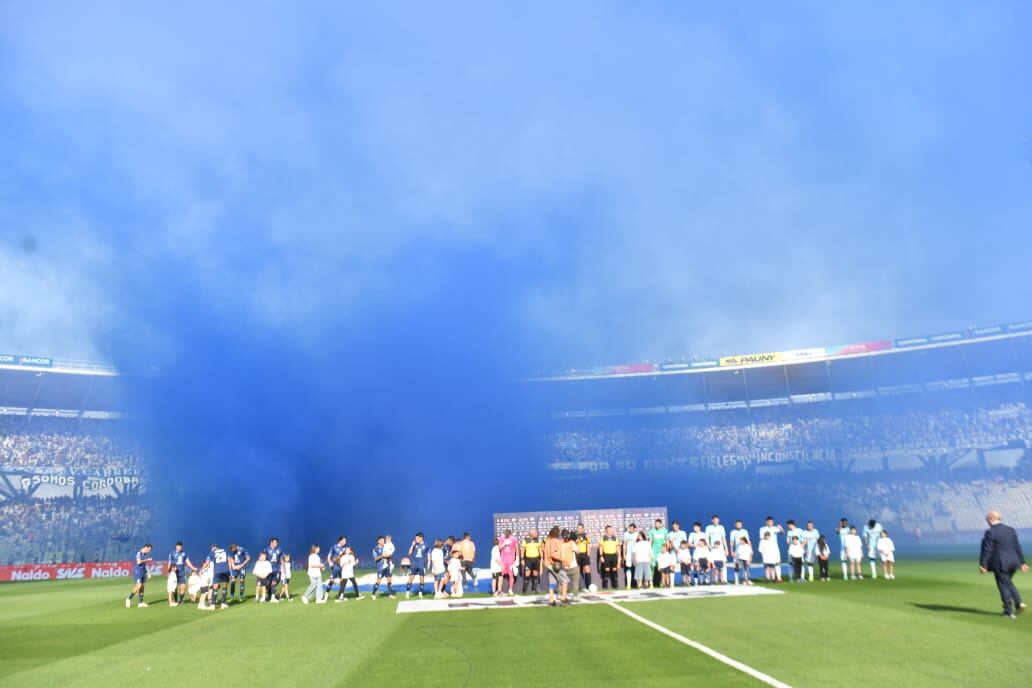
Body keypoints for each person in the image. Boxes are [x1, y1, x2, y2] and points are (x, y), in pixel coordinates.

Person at [979, 511, 1028, 618]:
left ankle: (1011, 608)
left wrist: (983, 565)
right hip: (1014, 562)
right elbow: (1017, 547)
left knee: (1003, 585)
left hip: (1000, 563)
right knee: (1006, 582)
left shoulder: (990, 532)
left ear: (991, 519)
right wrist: (1023, 563)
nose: (987, 522)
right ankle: (1014, 605)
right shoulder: (1011, 530)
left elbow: (987, 549)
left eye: (987, 520)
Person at [200, 543, 231, 610]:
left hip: (217, 571)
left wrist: (201, 569)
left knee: (215, 587)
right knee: (224, 587)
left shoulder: (211, 553)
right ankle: (223, 604)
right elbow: (229, 560)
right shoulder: (225, 550)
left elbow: (207, 563)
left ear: (212, 548)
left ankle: (213, 605)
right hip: (225, 570)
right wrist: (229, 569)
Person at [544, 526, 568, 606]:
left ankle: (551, 600)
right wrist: (562, 559)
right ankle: (563, 599)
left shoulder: (547, 540)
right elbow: (553, 554)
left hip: (548, 564)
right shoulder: (554, 541)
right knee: (565, 580)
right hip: (554, 564)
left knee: (552, 582)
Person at [167, 542, 196, 606]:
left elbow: (188, 562)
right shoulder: (172, 553)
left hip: (182, 572)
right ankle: (175, 600)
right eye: (178, 546)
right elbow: (169, 562)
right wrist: (168, 571)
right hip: (174, 573)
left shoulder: (184, 554)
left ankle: (181, 600)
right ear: (176, 547)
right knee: (174, 588)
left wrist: (192, 567)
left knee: (183, 587)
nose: (180, 548)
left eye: (181, 547)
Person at [125, 543, 153, 608]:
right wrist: (147, 560)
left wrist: (147, 572)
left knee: (142, 586)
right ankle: (129, 598)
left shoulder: (144, 555)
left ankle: (140, 602)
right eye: (149, 549)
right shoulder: (139, 553)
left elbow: (143, 565)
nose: (149, 551)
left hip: (142, 571)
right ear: (146, 547)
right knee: (139, 585)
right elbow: (139, 562)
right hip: (138, 572)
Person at [758, 517, 784, 582]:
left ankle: (778, 578)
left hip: (775, 548)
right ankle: (768, 578)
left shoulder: (775, 528)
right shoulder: (762, 529)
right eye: (769, 522)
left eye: (772, 522)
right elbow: (762, 538)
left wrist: (781, 528)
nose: (771, 523)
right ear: (766, 522)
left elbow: (783, 533)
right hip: (767, 549)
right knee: (767, 564)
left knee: (777, 563)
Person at [705, 515, 729, 584]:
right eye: (714, 520)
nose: (716, 521)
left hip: (720, 549)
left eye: (717, 520)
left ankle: (724, 580)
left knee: (723, 565)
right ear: (712, 520)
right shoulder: (708, 528)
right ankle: (713, 580)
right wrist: (709, 547)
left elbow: (723, 538)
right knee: (712, 565)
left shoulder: (721, 527)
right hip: (712, 549)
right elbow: (706, 538)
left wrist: (726, 549)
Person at [405, 533, 428, 599]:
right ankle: (407, 592)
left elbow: (428, 553)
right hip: (414, 564)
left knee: (422, 578)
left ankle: (420, 593)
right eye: (415, 538)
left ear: (421, 538)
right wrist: (412, 545)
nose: (416, 539)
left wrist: (428, 562)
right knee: (411, 578)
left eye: (417, 538)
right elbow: (409, 553)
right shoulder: (414, 544)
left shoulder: (426, 544)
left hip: (421, 564)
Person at [599, 525, 621, 590]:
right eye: (608, 530)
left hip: (614, 555)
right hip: (606, 555)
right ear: (606, 531)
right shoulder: (603, 538)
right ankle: (605, 586)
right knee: (607, 570)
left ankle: (615, 585)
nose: (610, 531)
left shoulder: (615, 538)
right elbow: (601, 547)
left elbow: (618, 548)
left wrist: (619, 556)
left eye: (611, 529)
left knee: (614, 570)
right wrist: (601, 556)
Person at [728, 520, 750, 585]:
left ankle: (746, 580)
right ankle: (736, 580)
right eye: (738, 524)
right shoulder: (733, 532)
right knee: (736, 566)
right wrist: (731, 551)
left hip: (744, 553)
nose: (739, 525)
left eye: (740, 524)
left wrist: (750, 550)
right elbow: (731, 542)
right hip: (737, 552)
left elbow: (748, 541)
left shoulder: (745, 531)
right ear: (735, 525)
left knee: (745, 567)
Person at [498, 529, 518, 596]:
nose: (506, 535)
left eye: (507, 534)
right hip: (503, 559)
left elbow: (517, 548)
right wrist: (504, 544)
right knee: (501, 575)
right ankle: (499, 590)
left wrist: (517, 558)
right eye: (505, 534)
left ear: (510, 534)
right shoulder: (501, 538)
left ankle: (510, 590)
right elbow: (499, 548)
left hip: (511, 559)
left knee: (511, 575)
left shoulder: (514, 539)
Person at [521, 529, 542, 594]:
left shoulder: (538, 540)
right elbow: (522, 550)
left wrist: (542, 558)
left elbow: (540, 549)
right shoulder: (525, 540)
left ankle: (534, 590)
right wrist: (522, 559)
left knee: (535, 574)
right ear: (531, 533)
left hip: (536, 559)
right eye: (535, 532)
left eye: (536, 532)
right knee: (527, 574)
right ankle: (524, 591)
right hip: (528, 559)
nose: (536, 533)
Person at [648, 518, 668, 587]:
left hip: (662, 552)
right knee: (652, 567)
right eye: (655, 524)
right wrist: (649, 551)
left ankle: (662, 583)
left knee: (662, 568)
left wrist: (667, 550)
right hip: (654, 552)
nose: (656, 525)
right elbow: (650, 542)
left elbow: (667, 541)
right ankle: (651, 583)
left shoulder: (665, 531)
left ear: (661, 524)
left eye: (658, 524)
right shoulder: (652, 531)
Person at [264, 538, 283, 603]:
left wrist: (283, 568)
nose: (276, 544)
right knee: (267, 583)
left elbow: (281, 559)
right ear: (271, 542)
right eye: (274, 542)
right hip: (268, 570)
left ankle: (273, 598)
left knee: (274, 583)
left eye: (277, 543)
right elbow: (263, 558)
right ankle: (268, 594)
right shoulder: (266, 549)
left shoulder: (279, 549)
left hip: (276, 569)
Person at [328, 536, 347, 600]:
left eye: (345, 541)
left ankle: (340, 595)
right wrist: (330, 562)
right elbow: (329, 556)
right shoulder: (334, 547)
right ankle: (325, 596)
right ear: (340, 541)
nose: (345, 542)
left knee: (342, 581)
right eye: (344, 541)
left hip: (342, 567)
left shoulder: (345, 548)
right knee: (332, 581)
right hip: (335, 567)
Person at [562, 530, 580, 598]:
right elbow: (578, 552)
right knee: (576, 581)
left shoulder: (561, 543)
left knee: (562, 582)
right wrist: (577, 543)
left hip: (564, 565)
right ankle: (575, 595)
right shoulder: (572, 543)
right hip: (573, 565)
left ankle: (560, 594)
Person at [622, 523, 639, 589]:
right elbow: (624, 544)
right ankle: (628, 584)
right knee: (628, 568)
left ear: (635, 529)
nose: (630, 530)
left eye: (632, 528)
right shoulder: (626, 534)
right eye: (629, 528)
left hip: (636, 554)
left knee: (637, 569)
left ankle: (638, 584)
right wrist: (624, 554)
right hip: (628, 553)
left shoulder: (637, 534)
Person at [575, 527, 592, 591]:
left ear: (583, 529)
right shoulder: (575, 535)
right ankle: (578, 587)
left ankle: (589, 586)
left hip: (584, 554)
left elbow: (588, 545)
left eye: (580, 528)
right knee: (577, 570)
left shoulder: (586, 536)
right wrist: (576, 541)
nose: (579, 530)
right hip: (577, 554)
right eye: (578, 528)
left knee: (587, 569)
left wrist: (588, 554)